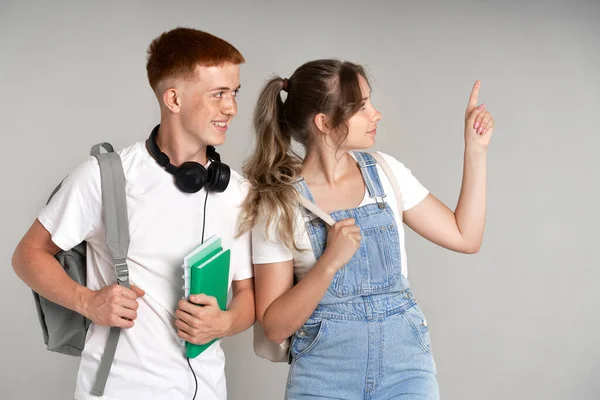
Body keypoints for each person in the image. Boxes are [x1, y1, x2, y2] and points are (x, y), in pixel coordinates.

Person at [12, 27, 254, 400]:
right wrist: (87, 301)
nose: (232, 108)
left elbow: (247, 296)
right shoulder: (105, 177)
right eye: (218, 94)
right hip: (118, 391)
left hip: (208, 391)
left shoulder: (236, 192)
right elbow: (27, 255)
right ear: (173, 98)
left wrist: (225, 322)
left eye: (234, 93)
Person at [239, 59, 494, 399]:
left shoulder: (388, 174)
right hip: (323, 377)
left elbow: (466, 236)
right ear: (325, 123)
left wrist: (475, 151)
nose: (376, 114)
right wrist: (329, 263)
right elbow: (274, 326)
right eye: (361, 107)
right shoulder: (278, 203)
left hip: (406, 370)